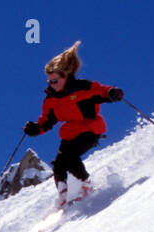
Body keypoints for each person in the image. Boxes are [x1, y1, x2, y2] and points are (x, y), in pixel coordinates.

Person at [23, 40, 123, 208]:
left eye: (54, 81)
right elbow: (47, 120)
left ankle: (85, 185)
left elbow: (101, 91)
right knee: (59, 163)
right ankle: (63, 193)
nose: (51, 85)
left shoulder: (82, 87)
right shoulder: (51, 100)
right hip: (70, 132)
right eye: (49, 82)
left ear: (65, 76)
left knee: (70, 157)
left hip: (90, 129)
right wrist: (36, 129)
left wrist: (112, 93)